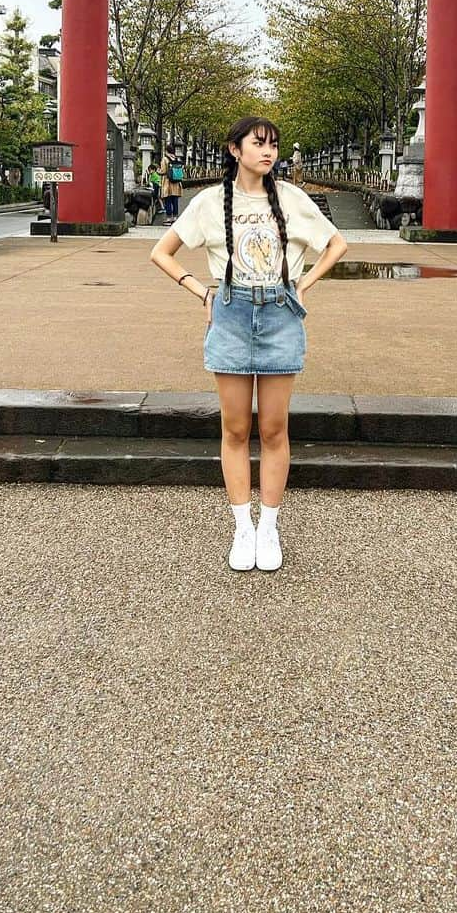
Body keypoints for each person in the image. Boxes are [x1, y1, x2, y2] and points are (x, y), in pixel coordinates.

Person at [149, 116, 348, 572]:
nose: (269, 152)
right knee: (235, 428)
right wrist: (201, 290)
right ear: (234, 150)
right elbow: (161, 251)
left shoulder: (293, 200)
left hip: (280, 315)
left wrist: (303, 284)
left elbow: (336, 244)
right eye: (258, 144)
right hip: (232, 314)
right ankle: (242, 527)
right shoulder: (210, 201)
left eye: (274, 145)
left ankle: (269, 526)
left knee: (274, 429)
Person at [159, 145, 184, 223]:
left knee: (168, 200)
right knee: (175, 201)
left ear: (166, 151)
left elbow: (163, 171)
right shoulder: (176, 158)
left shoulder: (165, 159)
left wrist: (158, 171)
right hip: (176, 183)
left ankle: (169, 217)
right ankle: (175, 217)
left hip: (168, 182)